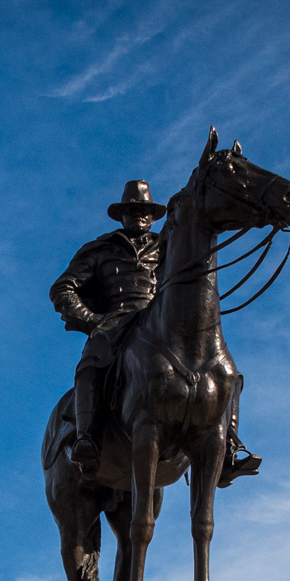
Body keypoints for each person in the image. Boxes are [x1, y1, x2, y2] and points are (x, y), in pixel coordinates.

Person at [48, 180, 167, 475]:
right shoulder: (100, 249)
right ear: (122, 215)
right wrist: (92, 320)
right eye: (132, 210)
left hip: (160, 319)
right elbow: (63, 288)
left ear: (153, 216)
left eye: (145, 210)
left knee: (219, 365)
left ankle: (229, 446)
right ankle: (87, 438)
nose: (139, 215)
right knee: (91, 362)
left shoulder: (168, 247)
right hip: (116, 321)